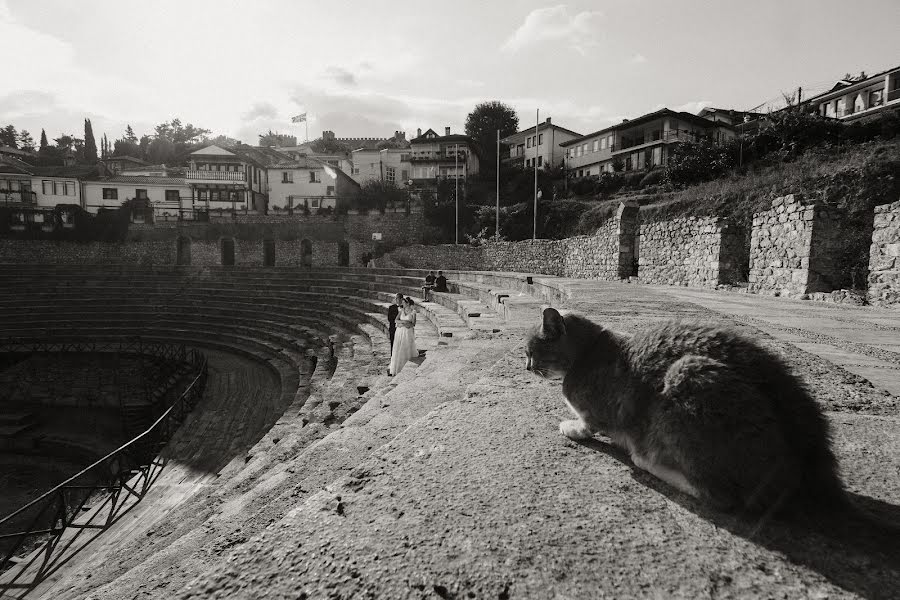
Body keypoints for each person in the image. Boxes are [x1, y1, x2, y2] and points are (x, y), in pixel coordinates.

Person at [388, 297, 418, 376]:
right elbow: (396, 320)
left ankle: (405, 366)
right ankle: (398, 367)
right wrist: (404, 322)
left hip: (407, 332)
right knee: (399, 348)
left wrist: (403, 323)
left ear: (408, 303)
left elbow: (413, 324)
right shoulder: (401, 311)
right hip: (400, 331)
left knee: (405, 348)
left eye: (404, 303)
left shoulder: (413, 312)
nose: (402, 304)